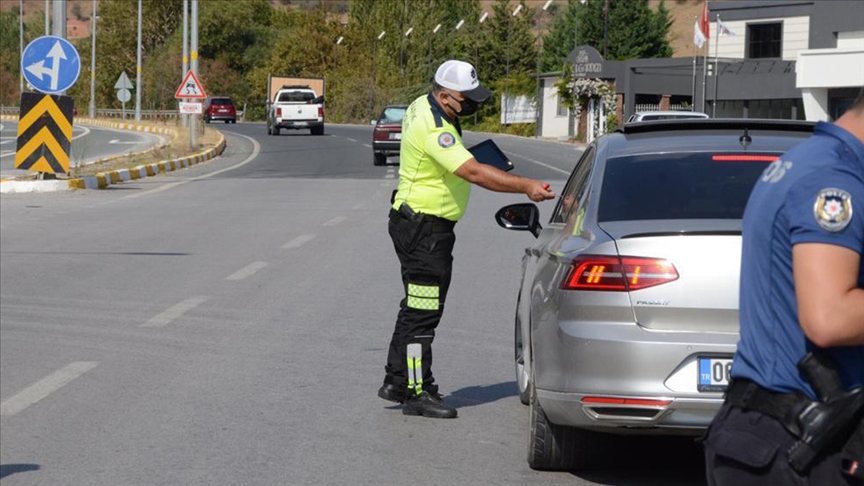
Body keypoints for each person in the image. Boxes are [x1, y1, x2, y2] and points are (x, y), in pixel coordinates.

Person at [377, 60, 555, 419]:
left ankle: (397, 379)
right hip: (424, 230)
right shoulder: (434, 127)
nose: (471, 105)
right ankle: (417, 391)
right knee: (423, 314)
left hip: (419, 224)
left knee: (415, 306)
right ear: (444, 96)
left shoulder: (424, 105)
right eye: (465, 99)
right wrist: (526, 186)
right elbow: (472, 171)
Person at [703, 92, 864, 483]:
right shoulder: (832, 180)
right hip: (798, 448)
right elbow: (829, 316)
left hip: (779, 438)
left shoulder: (811, 163)